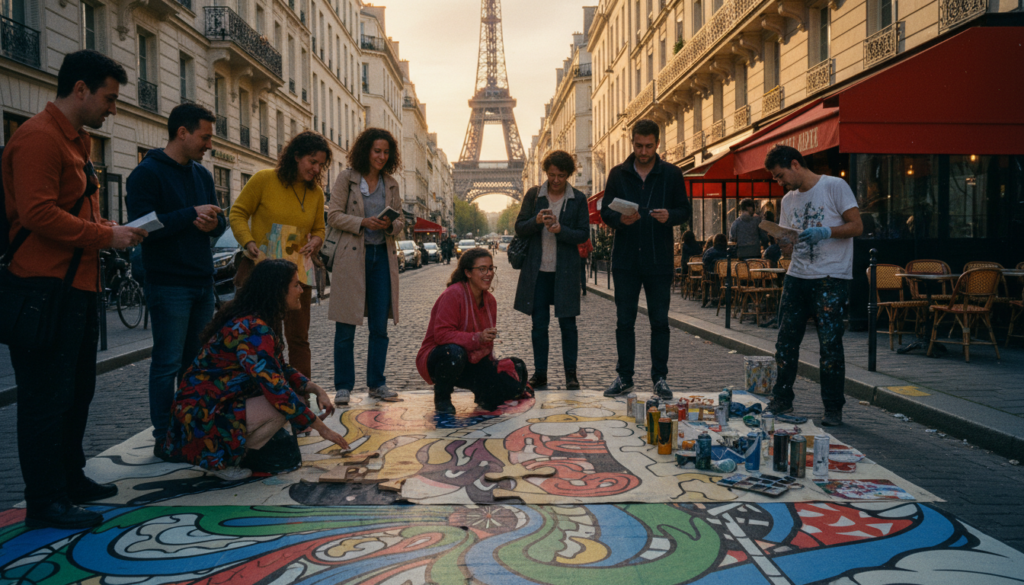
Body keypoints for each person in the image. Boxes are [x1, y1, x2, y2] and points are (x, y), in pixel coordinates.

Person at [2, 50, 146, 529]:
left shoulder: (78, 142)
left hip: (79, 286)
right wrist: (107, 235)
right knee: (44, 399)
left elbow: (75, 213)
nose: (113, 108)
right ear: (80, 89)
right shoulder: (39, 139)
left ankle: (70, 478)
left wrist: (113, 229)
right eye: (109, 98)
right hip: (43, 288)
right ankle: (45, 501)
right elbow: (38, 213)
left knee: (77, 391)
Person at [159, 260, 349, 480]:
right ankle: (221, 461)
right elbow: (275, 387)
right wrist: (322, 428)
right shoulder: (253, 328)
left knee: (292, 400)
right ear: (278, 291)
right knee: (284, 404)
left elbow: (279, 369)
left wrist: (316, 389)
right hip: (202, 417)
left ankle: (232, 452)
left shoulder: (259, 320)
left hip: (207, 410)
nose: (301, 290)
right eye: (296, 285)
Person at [126, 103, 226, 456]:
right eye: (204, 137)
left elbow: (219, 220)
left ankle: (191, 429)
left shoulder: (202, 175)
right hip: (168, 283)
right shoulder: (147, 173)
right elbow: (141, 227)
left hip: (202, 279)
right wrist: (190, 214)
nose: (208, 144)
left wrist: (215, 224)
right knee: (167, 362)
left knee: (196, 362)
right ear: (182, 133)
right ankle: (163, 437)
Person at [763, 144, 862, 427]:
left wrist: (825, 231)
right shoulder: (787, 200)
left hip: (830, 276)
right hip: (797, 275)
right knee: (785, 341)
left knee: (830, 344)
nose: (779, 182)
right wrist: (784, 244)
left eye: (780, 175)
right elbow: (788, 251)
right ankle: (782, 398)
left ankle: (833, 407)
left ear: (795, 164)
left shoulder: (834, 185)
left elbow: (857, 226)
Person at [600, 120, 691, 399]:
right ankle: (624, 377)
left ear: (658, 144)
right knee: (624, 322)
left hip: (658, 260)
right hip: (626, 261)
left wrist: (670, 217)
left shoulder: (672, 174)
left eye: (648, 146)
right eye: (638, 146)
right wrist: (620, 219)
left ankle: (659, 378)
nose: (643, 151)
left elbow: (684, 210)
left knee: (660, 322)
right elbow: (605, 211)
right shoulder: (618, 174)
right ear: (632, 142)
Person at [229, 131, 331, 380]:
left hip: (298, 274)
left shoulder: (316, 193)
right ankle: (266, 392)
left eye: (321, 164)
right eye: (312, 161)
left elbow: (319, 228)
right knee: (264, 336)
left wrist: (317, 240)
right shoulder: (264, 179)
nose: (317, 169)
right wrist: (249, 242)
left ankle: (300, 396)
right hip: (263, 273)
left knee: (299, 338)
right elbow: (238, 213)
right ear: (296, 156)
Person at [327, 128, 404, 405]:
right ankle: (343, 386)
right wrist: (363, 222)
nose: (382, 156)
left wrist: (389, 225)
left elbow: (400, 223)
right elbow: (333, 215)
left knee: (379, 328)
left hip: (381, 258)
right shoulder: (346, 179)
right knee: (346, 326)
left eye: (386, 152)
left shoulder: (391, 183)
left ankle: (377, 383)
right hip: (352, 257)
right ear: (365, 151)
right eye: (377, 151)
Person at [417, 249, 530, 413]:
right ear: (468, 272)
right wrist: (477, 338)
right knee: (454, 353)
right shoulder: (453, 294)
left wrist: (489, 368)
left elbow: (486, 345)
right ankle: (442, 398)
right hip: (440, 358)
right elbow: (442, 335)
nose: (489, 274)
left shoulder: (490, 301)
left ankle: (483, 393)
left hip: (473, 358)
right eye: (482, 269)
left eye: (491, 268)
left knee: (508, 384)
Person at [512, 151, 590, 390]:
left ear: (569, 174)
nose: (555, 180)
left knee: (568, 325)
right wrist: (536, 221)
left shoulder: (577, 198)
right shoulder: (534, 196)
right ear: (546, 172)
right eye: (552, 174)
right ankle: (541, 373)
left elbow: (583, 233)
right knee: (539, 326)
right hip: (538, 272)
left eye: (561, 175)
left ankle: (571, 374)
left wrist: (560, 230)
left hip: (565, 271)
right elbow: (519, 227)